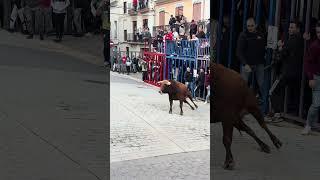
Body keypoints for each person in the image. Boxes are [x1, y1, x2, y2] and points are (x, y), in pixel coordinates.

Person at [270, 21, 304, 116]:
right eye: (289, 27)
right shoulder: (301, 40)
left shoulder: (291, 40)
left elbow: (283, 54)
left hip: (286, 72)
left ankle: (277, 113)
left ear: (298, 29)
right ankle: (295, 113)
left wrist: (280, 47)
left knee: (272, 91)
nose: (290, 29)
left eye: (292, 27)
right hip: (296, 73)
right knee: (292, 94)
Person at [236, 17, 266, 108]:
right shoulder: (243, 35)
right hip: (247, 64)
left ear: (255, 25)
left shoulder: (260, 34)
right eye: (248, 26)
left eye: (252, 26)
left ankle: (266, 106)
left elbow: (263, 48)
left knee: (262, 84)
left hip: (259, 63)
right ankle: (240, 106)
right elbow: (239, 51)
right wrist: (245, 64)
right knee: (243, 86)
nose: (250, 28)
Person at [301, 22, 320, 135]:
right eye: (318, 32)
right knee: (316, 104)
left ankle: (312, 124)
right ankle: (308, 125)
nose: (319, 34)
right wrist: (311, 77)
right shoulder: (315, 46)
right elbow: (308, 63)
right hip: (317, 77)